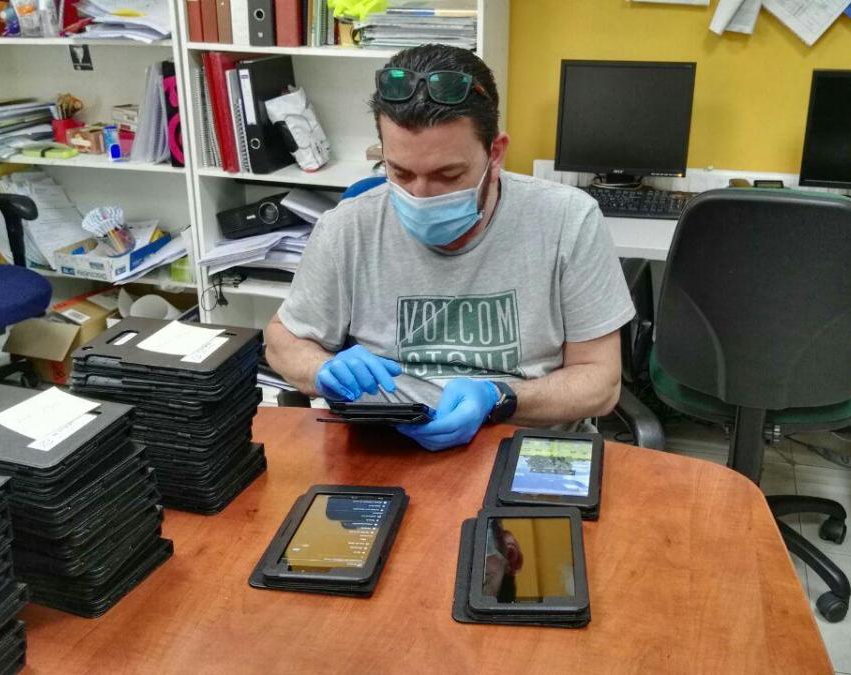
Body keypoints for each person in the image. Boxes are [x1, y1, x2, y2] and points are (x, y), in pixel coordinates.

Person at [264, 44, 635, 451]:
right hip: (386, 447)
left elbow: (600, 383)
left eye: (448, 175)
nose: (421, 195)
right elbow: (283, 340)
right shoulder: (348, 226)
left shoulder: (568, 220)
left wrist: (500, 397)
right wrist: (323, 369)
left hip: (524, 445)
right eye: (401, 172)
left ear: (495, 154)